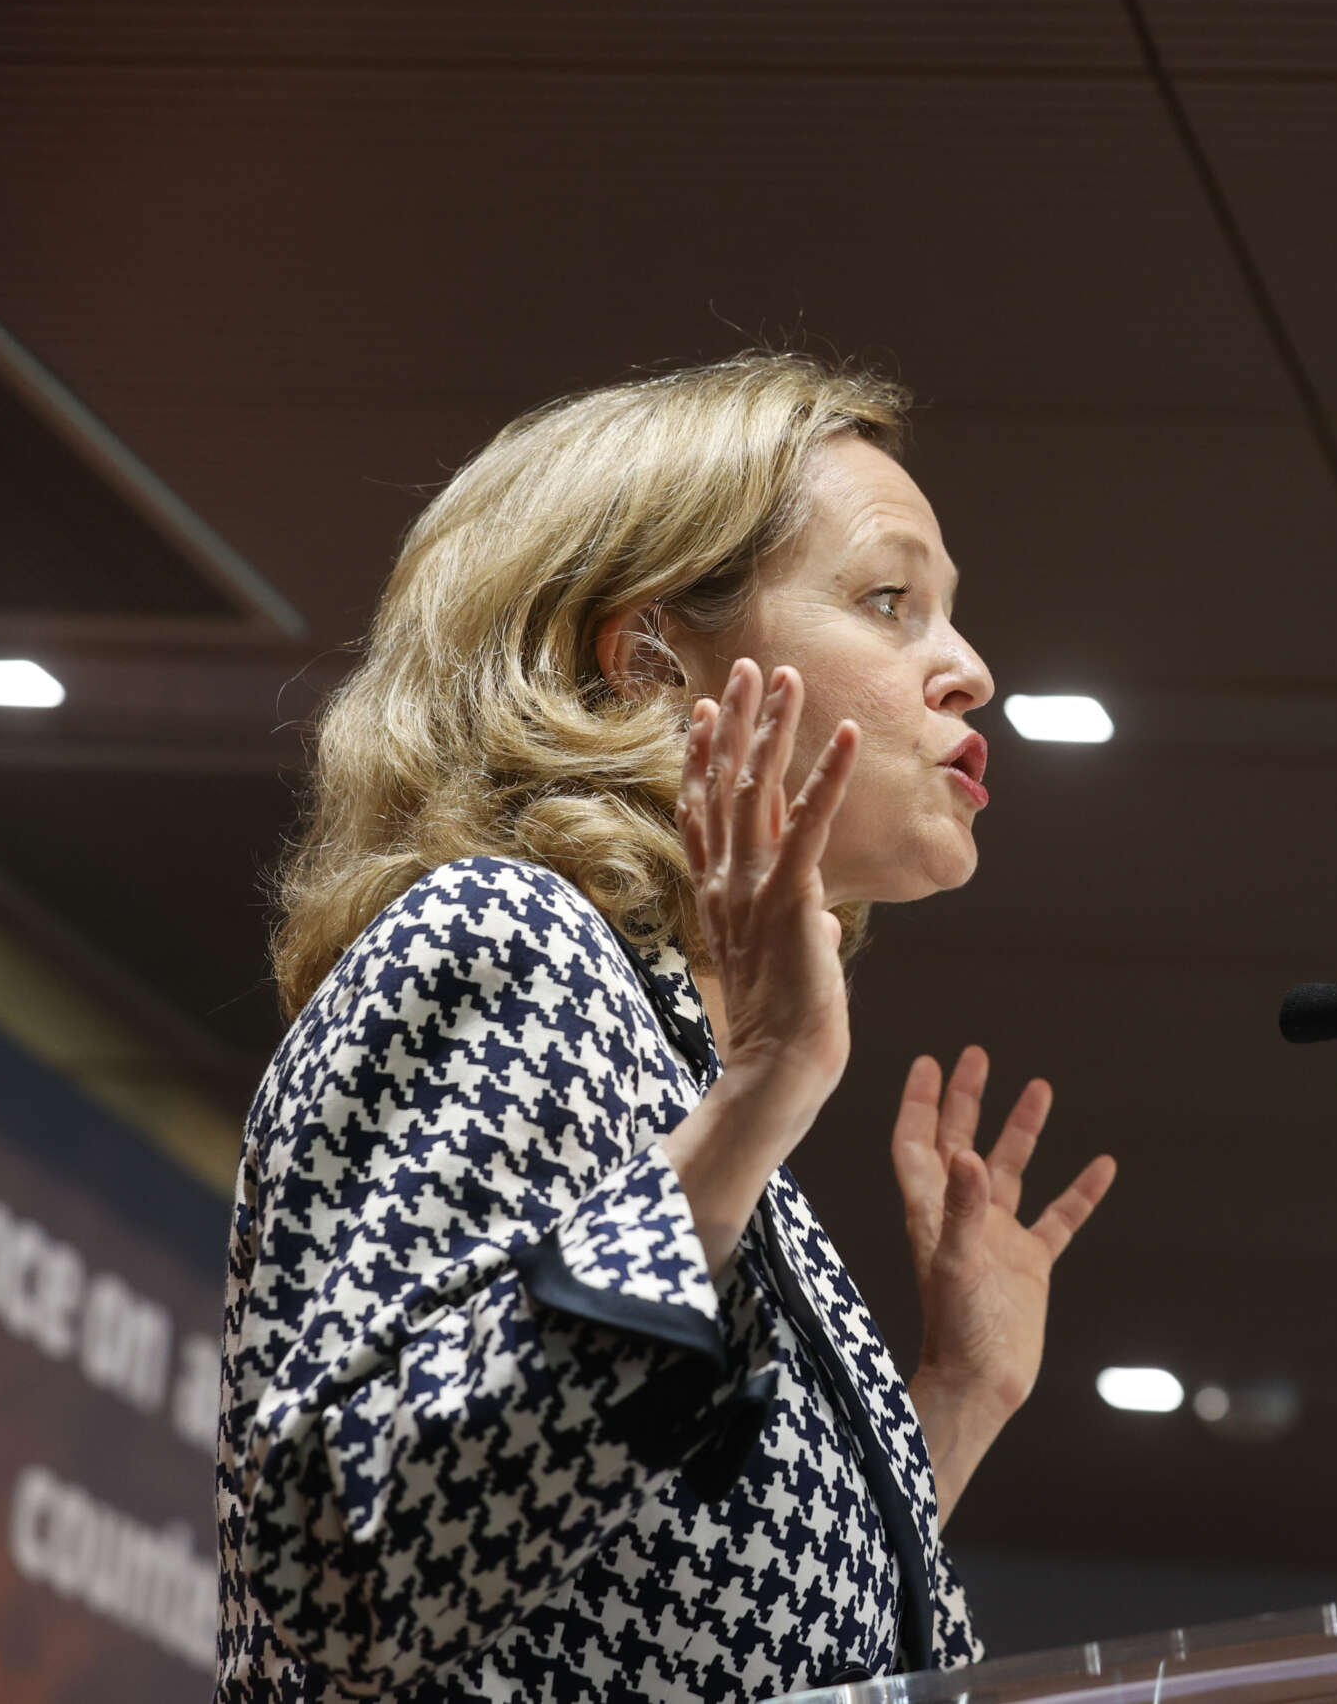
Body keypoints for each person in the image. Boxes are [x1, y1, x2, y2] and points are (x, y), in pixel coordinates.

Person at [217, 352, 1117, 1702]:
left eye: (952, 616)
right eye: (891, 601)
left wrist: (959, 1392)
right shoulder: (500, 940)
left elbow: (672, 1600)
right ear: (646, 661)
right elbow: (355, 1560)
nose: (971, 670)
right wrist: (759, 1094)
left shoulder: (685, 1076)